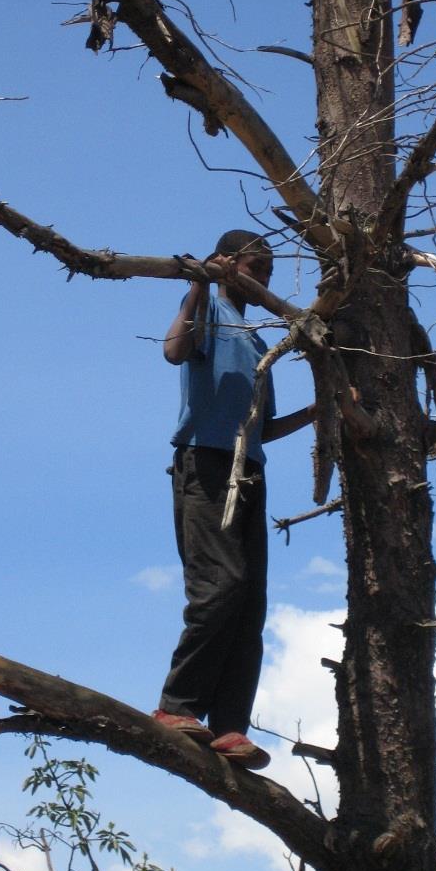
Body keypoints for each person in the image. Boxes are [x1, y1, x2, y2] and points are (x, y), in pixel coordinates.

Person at [152, 230, 316, 770]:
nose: (260, 280)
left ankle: (228, 727)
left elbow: (262, 429)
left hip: (250, 471)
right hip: (205, 463)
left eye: (267, 274)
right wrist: (200, 282)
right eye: (254, 267)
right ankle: (177, 706)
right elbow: (175, 350)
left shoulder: (253, 341)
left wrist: (321, 410)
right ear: (228, 262)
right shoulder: (209, 308)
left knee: (249, 603)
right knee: (220, 586)